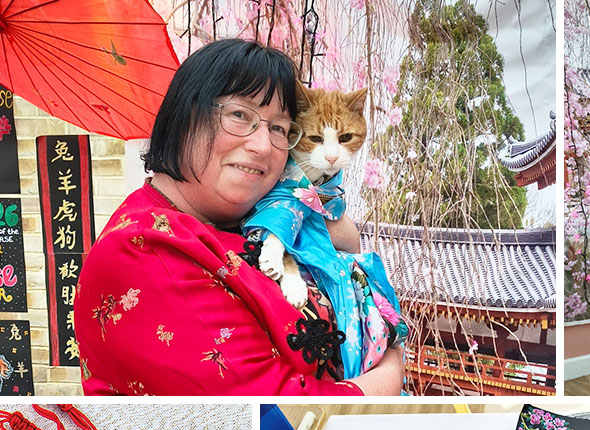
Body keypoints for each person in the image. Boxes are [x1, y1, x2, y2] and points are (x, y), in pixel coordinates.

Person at [72, 39, 405, 395]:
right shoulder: (144, 251)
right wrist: (392, 367)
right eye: (240, 115)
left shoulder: (244, 224)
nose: (263, 146)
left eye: (279, 128)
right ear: (185, 115)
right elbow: (275, 419)